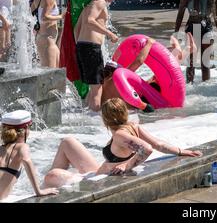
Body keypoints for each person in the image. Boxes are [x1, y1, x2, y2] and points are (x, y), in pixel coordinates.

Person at [43, 98, 202, 188]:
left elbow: (147, 149)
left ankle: (43, 191)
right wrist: (181, 151)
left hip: (97, 181)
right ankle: (44, 188)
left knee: (51, 176)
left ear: (105, 119)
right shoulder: (133, 127)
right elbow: (158, 144)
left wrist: (127, 166)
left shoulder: (120, 134)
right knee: (67, 142)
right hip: (98, 171)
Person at [102, 33, 196, 107]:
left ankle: (184, 52)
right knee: (158, 80)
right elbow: (139, 61)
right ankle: (184, 51)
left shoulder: (100, 86)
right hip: (144, 106)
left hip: (122, 109)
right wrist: (149, 44)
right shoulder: (117, 77)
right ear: (113, 71)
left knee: (153, 80)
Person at [74, 0, 121, 111]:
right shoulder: (100, 2)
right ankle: (95, 122)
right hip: (90, 47)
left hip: (83, 46)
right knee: (97, 88)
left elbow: (76, 28)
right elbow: (90, 21)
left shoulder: (89, 3)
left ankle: (89, 118)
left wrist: (79, 45)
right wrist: (109, 34)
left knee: (93, 87)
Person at [175, 0, 217, 83]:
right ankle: (189, 87)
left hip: (207, 28)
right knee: (191, 62)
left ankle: (205, 90)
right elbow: (180, 15)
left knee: (205, 62)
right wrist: (176, 33)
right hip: (192, 27)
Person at [0, 110, 59, 200]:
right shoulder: (22, 147)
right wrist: (39, 191)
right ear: (26, 128)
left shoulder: (1, 148)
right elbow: (27, 161)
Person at [32, 0, 65, 68]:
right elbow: (45, 17)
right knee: (51, 75)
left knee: (56, 73)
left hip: (44, 38)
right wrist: (61, 16)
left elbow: (31, 13)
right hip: (48, 40)